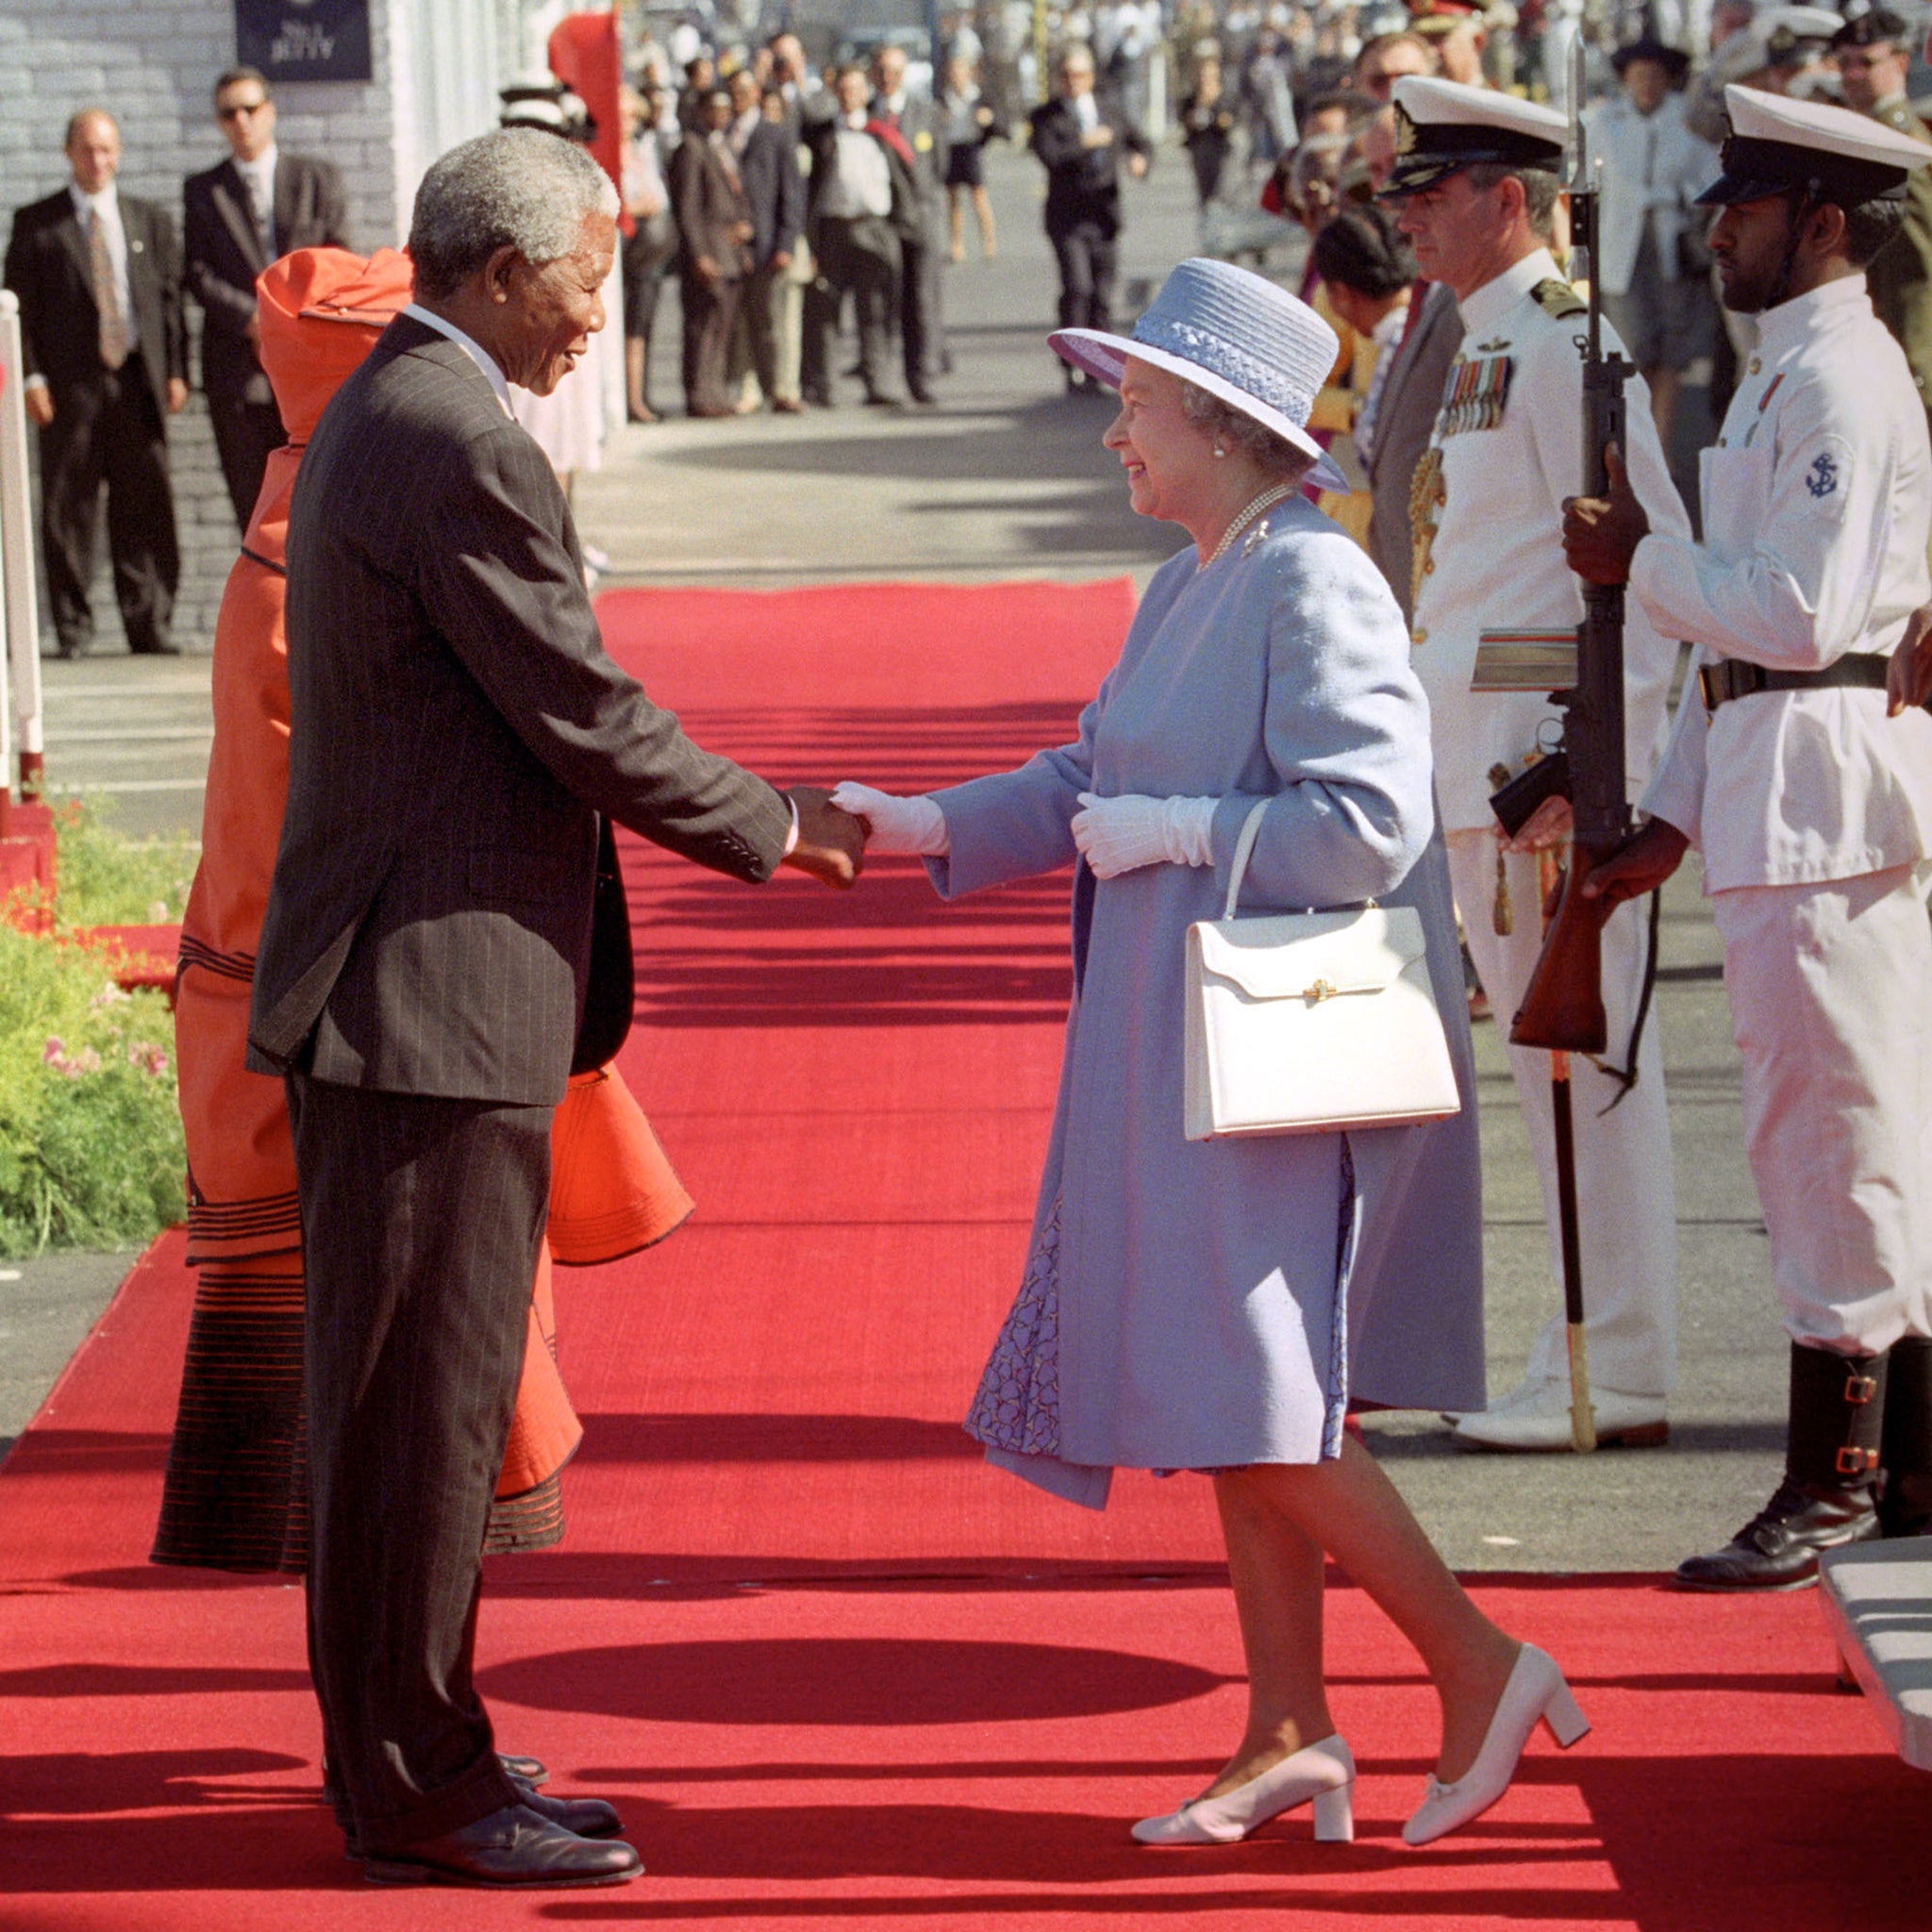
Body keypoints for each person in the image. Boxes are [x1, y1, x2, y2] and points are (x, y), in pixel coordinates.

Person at [831, 257, 1578, 1854]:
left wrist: (1177, 830)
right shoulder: (1186, 579)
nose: (1112, 433)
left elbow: (1368, 824)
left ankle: (1479, 1660)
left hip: (1273, 1056)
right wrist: (925, 823)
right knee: (1249, 1397)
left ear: (1223, 427)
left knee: (1258, 1397)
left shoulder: (1312, 577)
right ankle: (1287, 1726)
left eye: (1133, 403)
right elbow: (1089, 767)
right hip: (1186, 1052)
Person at [244, 127, 864, 1887]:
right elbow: (579, 707)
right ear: (502, 271)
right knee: (420, 1413)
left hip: (406, 988)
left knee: (405, 1412)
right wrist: (778, 823)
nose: (599, 313)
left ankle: (406, 1741)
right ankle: (416, 1781)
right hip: (423, 999)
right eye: (588, 279)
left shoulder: (399, 408)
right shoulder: (450, 437)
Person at [1563, 87, 1932, 1590]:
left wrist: (1641, 562)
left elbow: (1802, 619)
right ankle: (1901, 1465)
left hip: (1830, 792)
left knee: (1831, 1136)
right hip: (1781, 779)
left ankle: (1835, 1473)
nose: (1717, 227)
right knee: (1843, 1130)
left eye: (1748, 207)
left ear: (1826, 225)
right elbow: (1754, 651)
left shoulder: (1841, 382)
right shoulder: (1790, 373)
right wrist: (1670, 808)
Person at [1385, 76, 1685, 1451]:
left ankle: (1612, 1368)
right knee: (1539, 1075)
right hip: (1476, 764)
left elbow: (1643, 573)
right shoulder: (1481, 340)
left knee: (1590, 1070)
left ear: (1509, 202)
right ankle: (1581, 1343)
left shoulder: (1567, 350)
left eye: (1432, 195)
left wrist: (1583, 754)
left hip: (1541, 780)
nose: (1409, 218)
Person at [4, 109, 186, 660]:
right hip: (68, 388)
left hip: (137, 380)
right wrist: (30, 377)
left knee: (144, 503)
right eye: (86, 150)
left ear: (120, 153)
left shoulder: (147, 219)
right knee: (68, 506)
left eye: (107, 149)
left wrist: (177, 371)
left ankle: (148, 625)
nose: (97, 160)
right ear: (67, 153)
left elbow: (170, 303)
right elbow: (21, 308)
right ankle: (73, 629)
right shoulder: (38, 223)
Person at [184, 67, 349, 528]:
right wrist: (255, 320)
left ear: (270, 112)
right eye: (229, 112)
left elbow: (335, 257)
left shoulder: (316, 179)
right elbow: (197, 273)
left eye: (250, 108)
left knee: (318, 501)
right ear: (219, 122)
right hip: (239, 372)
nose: (241, 121)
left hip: (309, 365)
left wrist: (289, 321)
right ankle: (267, 602)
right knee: (253, 504)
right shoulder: (203, 192)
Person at [1585, 42, 1720, 455]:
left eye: (1656, 76)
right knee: (1631, 352)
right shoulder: (1604, 121)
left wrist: (1677, 195)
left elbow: (1709, 177)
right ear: (1625, 79)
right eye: (1639, 76)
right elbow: (1588, 185)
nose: (1647, 84)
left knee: (1669, 354)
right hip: (1621, 252)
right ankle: (1631, 448)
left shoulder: (1685, 119)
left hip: (1671, 249)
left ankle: (1658, 447)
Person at [1828, 10, 1932, 425]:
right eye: (1844, 63)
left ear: (1901, 64)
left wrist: (1913, 358)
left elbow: (1919, 263)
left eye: (1867, 63)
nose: (1853, 75)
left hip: (1907, 347)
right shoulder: (1866, 136)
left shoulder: (1899, 146)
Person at [1029, 44, 1149, 394]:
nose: (1073, 82)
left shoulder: (1109, 110)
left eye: (1080, 75)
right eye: (1066, 75)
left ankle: (1098, 364)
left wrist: (1139, 159)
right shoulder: (1046, 116)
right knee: (1077, 287)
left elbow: (1139, 141)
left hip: (1103, 215)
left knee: (1101, 292)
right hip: (1068, 217)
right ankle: (1072, 363)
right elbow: (1051, 156)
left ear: (1091, 77)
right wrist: (1085, 142)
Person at [802, 67, 901, 408]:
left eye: (855, 90)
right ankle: (824, 385)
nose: (849, 96)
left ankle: (879, 382)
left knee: (874, 308)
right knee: (827, 308)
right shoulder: (822, 134)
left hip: (873, 227)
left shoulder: (880, 131)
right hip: (833, 227)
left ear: (865, 92)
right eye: (842, 90)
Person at [671, 85, 757, 418]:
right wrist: (699, 254)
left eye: (725, 108)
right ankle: (699, 392)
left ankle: (715, 390)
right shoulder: (691, 149)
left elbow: (736, 192)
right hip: (708, 252)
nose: (721, 114)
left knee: (723, 327)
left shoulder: (723, 146)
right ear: (700, 111)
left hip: (730, 251)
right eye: (713, 108)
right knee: (702, 326)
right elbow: (688, 207)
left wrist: (744, 223)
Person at [872, 42, 949, 405]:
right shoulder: (866, 113)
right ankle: (883, 379)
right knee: (883, 302)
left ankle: (922, 374)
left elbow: (939, 167)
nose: (888, 79)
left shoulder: (926, 112)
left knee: (922, 301)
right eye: (882, 71)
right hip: (882, 222)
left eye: (895, 72)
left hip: (921, 219)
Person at [727, 65, 805, 412]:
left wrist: (786, 243)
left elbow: (792, 193)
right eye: (733, 93)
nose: (738, 99)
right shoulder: (723, 134)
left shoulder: (775, 134)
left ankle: (785, 387)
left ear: (756, 94)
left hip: (770, 242)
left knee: (780, 322)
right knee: (743, 322)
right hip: (734, 246)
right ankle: (749, 387)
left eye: (745, 91)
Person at [619, 84, 678, 423]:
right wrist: (641, 206)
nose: (629, 122)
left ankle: (640, 394)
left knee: (643, 325)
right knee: (629, 325)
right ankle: (630, 399)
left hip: (651, 253)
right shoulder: (613, 154)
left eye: (633, 116)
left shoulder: (643, 150)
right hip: (628, 248)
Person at [941, 53, 1001, 259]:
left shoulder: (977, 96)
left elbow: (996, 122)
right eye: (953, 73)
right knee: (953, 199)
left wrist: (987, 120)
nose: (956, 77)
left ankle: (989, 241)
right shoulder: (944, 98)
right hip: (951, 148)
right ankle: (957, 243)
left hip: (970, 148)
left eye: (961, 73)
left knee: (978, 195)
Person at [1179, 53, 1239, 209]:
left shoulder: (1226, 96)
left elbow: (1229, 120)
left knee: (1221, 193)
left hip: (1221, 148)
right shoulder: (1191, 97)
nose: (1206, 78)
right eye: (1202, 74)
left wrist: (1217, 112)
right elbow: (1185, 121)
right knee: (1204, 195)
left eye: (1210, 74)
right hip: (1199, 147)